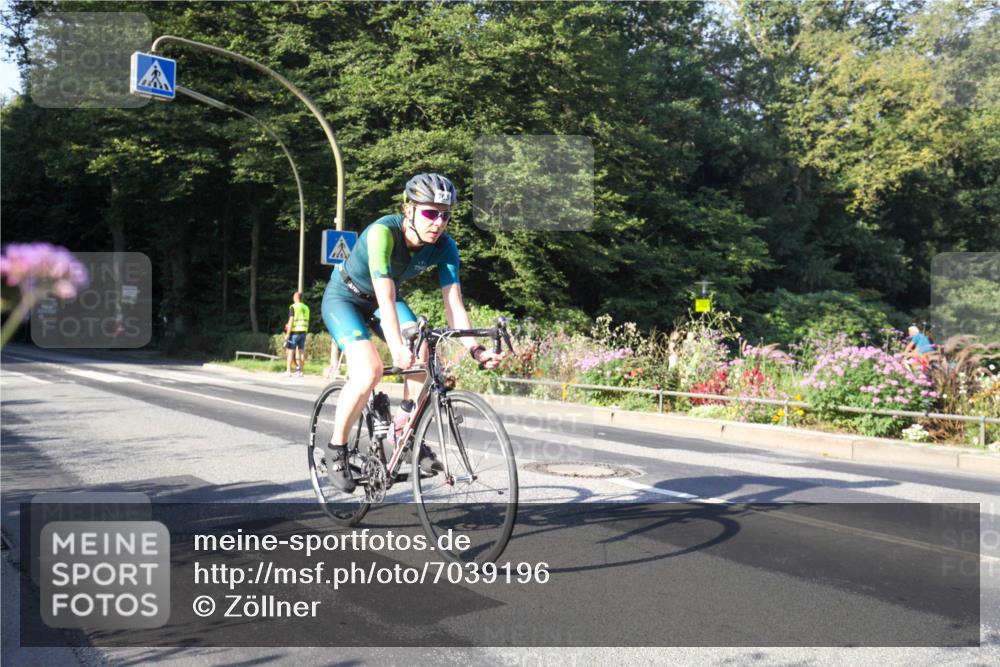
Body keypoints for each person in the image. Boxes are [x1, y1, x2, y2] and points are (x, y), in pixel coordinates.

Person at [320, 173, 504, 492]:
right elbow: (386, 296)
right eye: (430, 213)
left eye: (445, 215)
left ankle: (401, 431)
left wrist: (475, 349)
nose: (438, 222)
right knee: (369, 371)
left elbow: (454, 305)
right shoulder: (382, 233)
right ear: (409, 209)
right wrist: (396, 347)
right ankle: (337, 448)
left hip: (384, 300)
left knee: (424, 354)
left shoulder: (446, 247)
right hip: (345, 298)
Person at [283, 292, 310, 377]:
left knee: (290, 352)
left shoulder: (293, 307)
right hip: (303, 331)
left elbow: (291, 320)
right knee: (301, 352)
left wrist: (287, 334)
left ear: (295, 297)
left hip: (294, 332)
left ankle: (288, 371)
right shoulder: (306, 308)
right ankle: (301, 372)